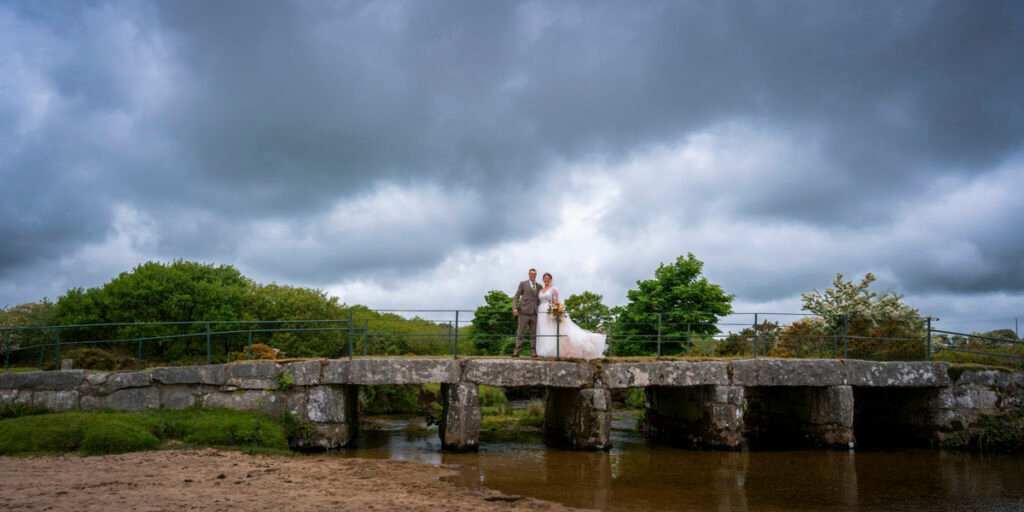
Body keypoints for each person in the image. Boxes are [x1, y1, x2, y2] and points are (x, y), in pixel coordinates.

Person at [535, 272, 606, 360]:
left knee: (554, 330)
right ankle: (544, 351)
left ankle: (555, 351)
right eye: (545, 278)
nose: (546, 280)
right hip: (541, 311)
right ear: (543, 279)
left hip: (549, 310)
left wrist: (557, 309)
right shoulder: (541, 290)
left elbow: (556, 300)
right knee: (543, 330)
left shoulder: (553, 289)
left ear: (550, 279)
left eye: (548, 278)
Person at [511, 268, 541, 358]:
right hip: (524, 312)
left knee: (533, 333)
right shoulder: (523, 284)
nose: (533, 275)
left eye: (534, 274)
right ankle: (517, 351)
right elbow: (516, 296)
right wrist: (514, 308)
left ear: (536, 275)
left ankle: (533, 352)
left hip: (534, 313)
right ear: (529, 274)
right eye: (531, 274)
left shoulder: (539, 286)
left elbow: (540, 299)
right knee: (520, 332)